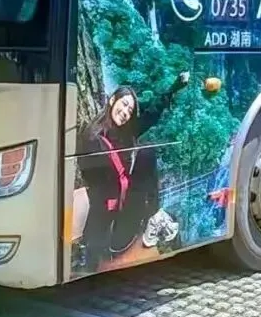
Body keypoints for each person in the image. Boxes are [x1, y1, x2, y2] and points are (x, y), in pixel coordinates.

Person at [75, 76, 187, 272]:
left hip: (125, 200)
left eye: (130, 110)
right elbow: (96, 192)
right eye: (124, 104)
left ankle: (154, 215)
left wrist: (174, 88)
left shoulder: (125, 133)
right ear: (112, 100)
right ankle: (151, 217)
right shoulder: (93, 139)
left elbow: (150, 115)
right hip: (112, 218)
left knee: (146, 152)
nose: (125, 112)